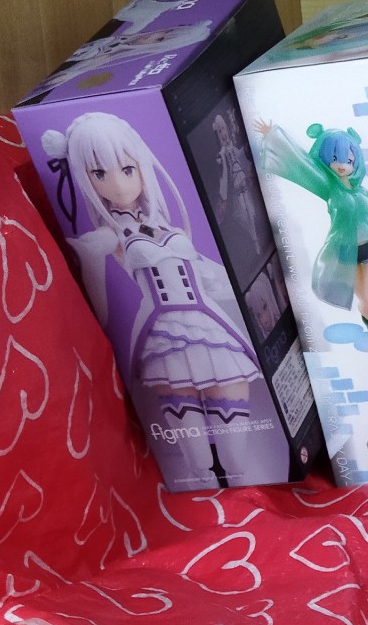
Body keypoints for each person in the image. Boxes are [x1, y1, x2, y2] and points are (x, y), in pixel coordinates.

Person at [41, 112, 262, 487]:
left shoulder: (170, 225)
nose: (118, 183)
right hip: (164, 341)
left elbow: (212, 278)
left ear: (141, 166)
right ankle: (213, 511)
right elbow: (101, 305)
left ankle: (244, 506)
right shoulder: (110, 235)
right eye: (100, 173)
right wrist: (89, 258)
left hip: (212, 332)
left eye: (127, 169)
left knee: (236, 457)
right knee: (198, 464)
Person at [250, 120, 368, 392]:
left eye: (348, 159)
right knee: (365, 305)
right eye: (335, 158)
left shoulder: (363, 193)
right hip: (344, 253)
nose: (342, 165)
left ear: (356, 161)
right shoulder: (328, 188)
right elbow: (301, 165)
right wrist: (274, 136)